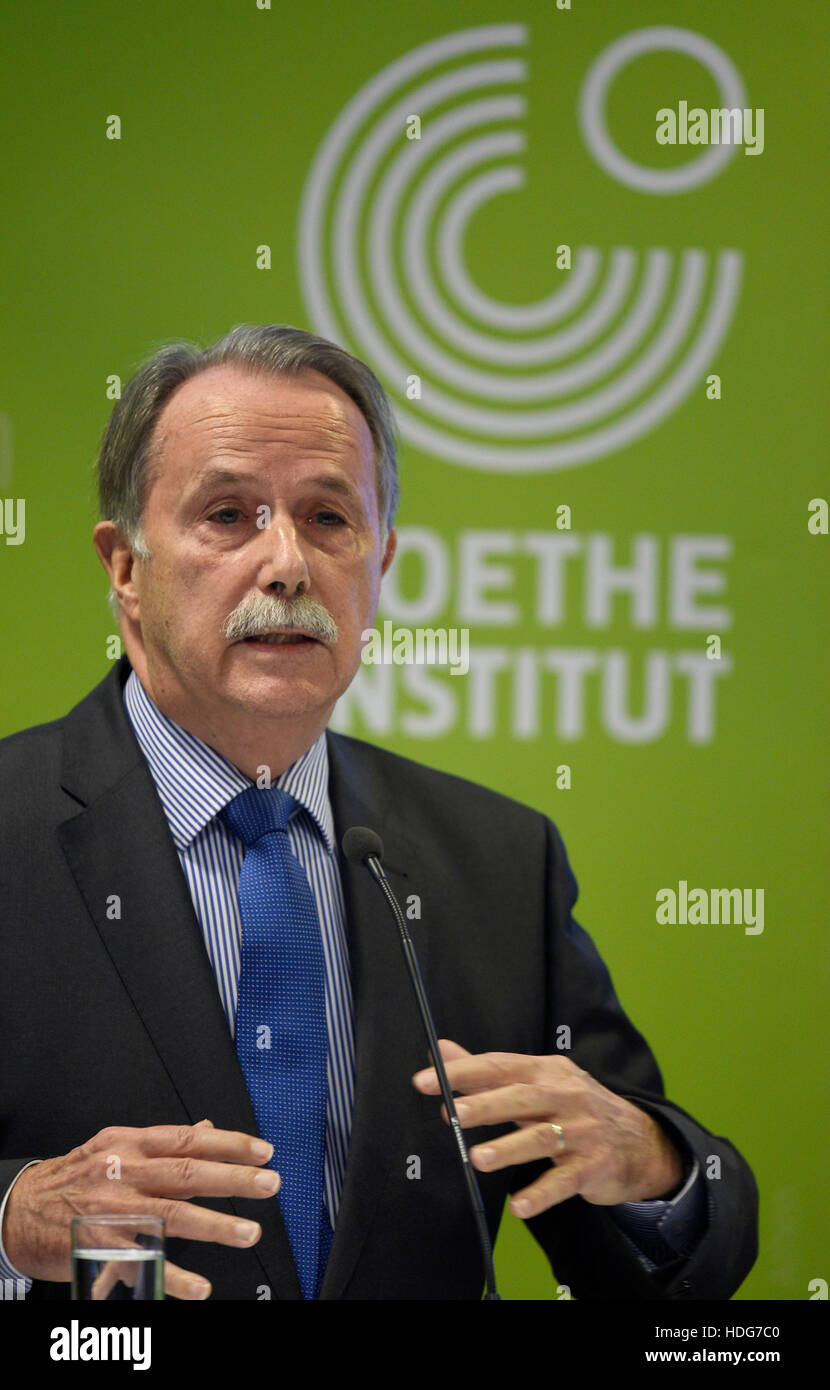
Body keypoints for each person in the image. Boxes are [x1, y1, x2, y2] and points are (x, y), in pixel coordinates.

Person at [0, 325, 757, 1301]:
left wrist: (652, 1164)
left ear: (380, 564)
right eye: (229, 513)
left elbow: (654, 1262)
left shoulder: (494, 862)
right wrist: (13, 1220)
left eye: (327, 519)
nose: (286, 564)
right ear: (124, 568)